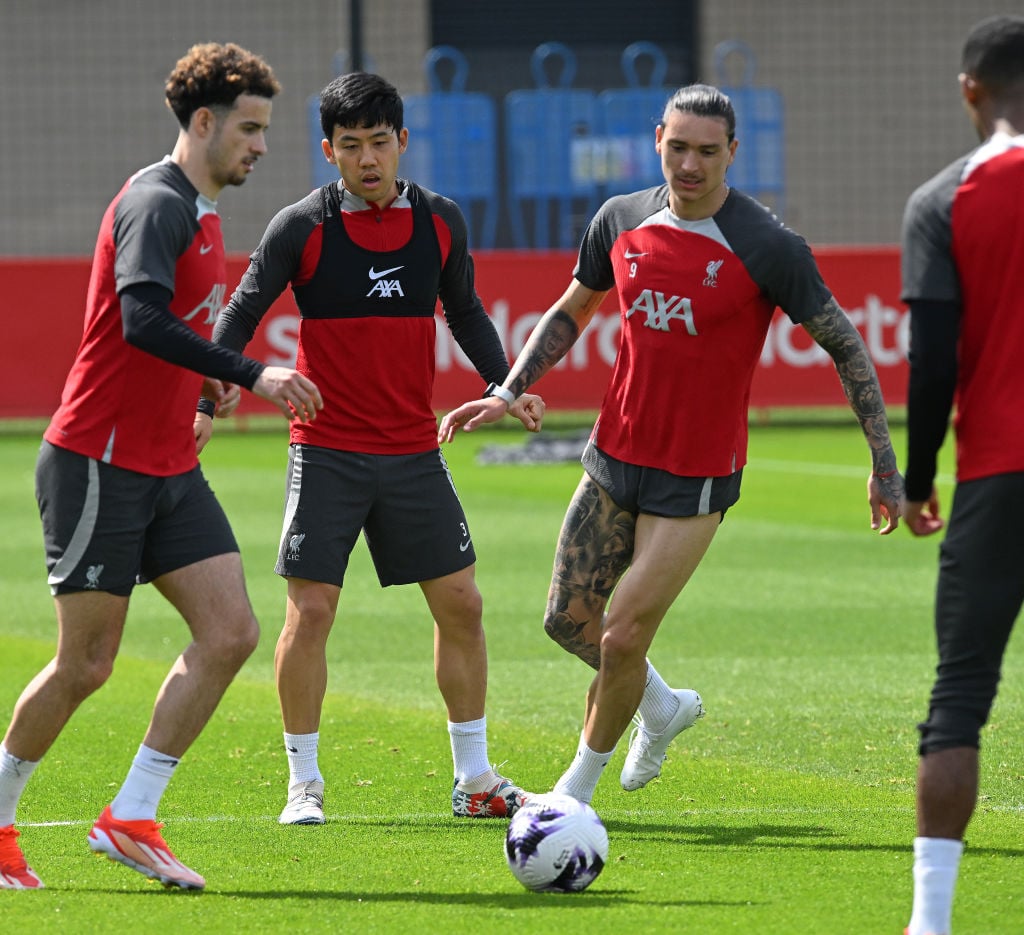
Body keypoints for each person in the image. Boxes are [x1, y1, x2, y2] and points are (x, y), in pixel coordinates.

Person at [439, 82, 904, 806]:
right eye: (679, 147)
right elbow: (573, 309)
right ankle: (661, 705)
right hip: (613, 455)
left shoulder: (769, 247)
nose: (690, 164)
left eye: (708, 152)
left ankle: (573, 795)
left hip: (698, 475)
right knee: (567, 622)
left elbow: (845, 347)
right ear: (658, 137)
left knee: (622, 637)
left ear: (733, 154)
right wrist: (506, 389)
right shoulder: (619, 219)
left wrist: (884, 461)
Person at [0, 43, 323, 892]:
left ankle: (130, 816)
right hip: (98, 460)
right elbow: (142, 320)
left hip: (165, 462)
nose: (260, 145)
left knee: (231, 632)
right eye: (249, 128)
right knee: (86, 665)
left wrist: (206, 393)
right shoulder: (157, 203)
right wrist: (257, 372)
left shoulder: (205, 207)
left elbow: (172, 334)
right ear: (204, 121)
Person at [203, 71, 542, 827]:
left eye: (379, 143)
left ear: (402, 143)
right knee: (312, 611)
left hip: (413, 450)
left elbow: (468, 313)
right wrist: (210, 395)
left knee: (463, 604)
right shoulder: (302, 227)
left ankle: (475, 778)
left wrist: (505, 381)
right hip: (326, 449)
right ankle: (304, 783)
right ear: (328, 151)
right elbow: (241, 310)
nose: (366, 159)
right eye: (350, 146)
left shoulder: (442, 222)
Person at [900, 15, 1024, 935]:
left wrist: (917, 476)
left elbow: (932, 359)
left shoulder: (946, 199)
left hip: (997, 474)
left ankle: (932, 923)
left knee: (960, 696)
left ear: (968, 89)